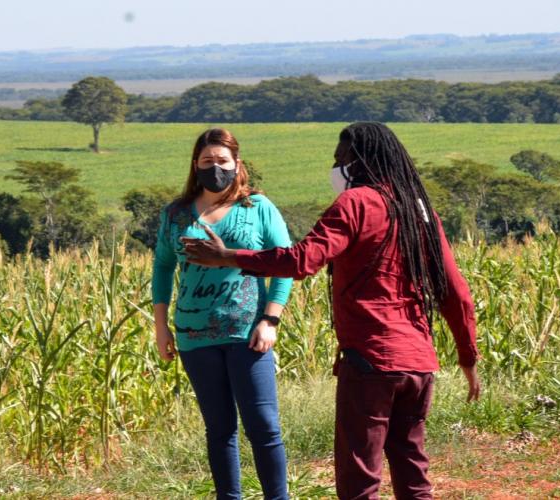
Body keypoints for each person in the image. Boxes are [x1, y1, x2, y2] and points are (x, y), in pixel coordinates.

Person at [183, 122, 481, 500]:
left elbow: (303, 260)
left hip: (371, 360)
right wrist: (467, 356)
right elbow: (455, 291)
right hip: (419, 364)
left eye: (341, 159)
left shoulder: (355, 203)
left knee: (360, 476)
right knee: (412, 469)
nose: (337, 167)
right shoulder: (419, 209)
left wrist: (227, 257)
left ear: (358, 162)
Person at [152, 128, 294, 500]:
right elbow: (163, 268)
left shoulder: (258, 207)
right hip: (194, 335)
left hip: (248, 333)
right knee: (218, 428)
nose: (215, 168)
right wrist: (161, 327)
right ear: (194, 165)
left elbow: (285, 265)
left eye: (222, 161)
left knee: (263, 426)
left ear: (237, 164)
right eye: (207, 161)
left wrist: (271, 319)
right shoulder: (176, 214)